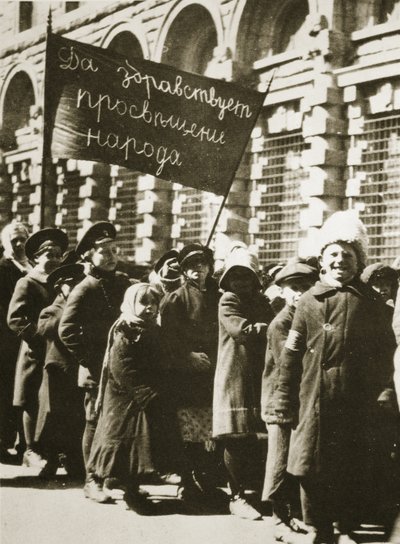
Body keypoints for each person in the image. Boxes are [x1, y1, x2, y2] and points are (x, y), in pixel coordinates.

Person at [273, 211, 397, 544]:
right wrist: (284, 397)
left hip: (354, 399)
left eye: (348, 254)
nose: (341, 260)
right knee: (309, 464)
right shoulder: (309, 302)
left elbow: (385, 352)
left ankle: (345, 523)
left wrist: (382, 392)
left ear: (358, 262)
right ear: (323, 261)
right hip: (313, 397)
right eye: (334, 254)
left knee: (350, 463)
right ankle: (317, 526)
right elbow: (291, 354)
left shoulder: (370, 304)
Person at [87, 283, 188, 510]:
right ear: (132, 303)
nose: (150, 308)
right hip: (125, 397)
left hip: (142, 394)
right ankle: (110, 484)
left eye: (154, 303)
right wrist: (146, 394)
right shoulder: (126, 331)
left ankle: (130, 486)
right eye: (144, 302)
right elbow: (123, 368)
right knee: (123, 443)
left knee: (137, 448)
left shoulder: (150, 328)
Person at [58, 222, 131, 500]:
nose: (111, 256)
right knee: (94, 420)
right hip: (95, 368)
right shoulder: (85, 287)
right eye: (104, 252)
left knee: (118, 421)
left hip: (122, 368)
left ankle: (113, 478)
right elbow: (67, 330)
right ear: (88, 255)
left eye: (114, 250)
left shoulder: (123, 283)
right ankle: (92, 479)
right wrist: (89, 358)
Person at [160, 243, 223, 509]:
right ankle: (188, 482)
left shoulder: (220, 296)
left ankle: (208, 482)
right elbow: (166, 339)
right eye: (190, 266)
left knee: (211, 433)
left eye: (202, 264)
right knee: (188, 432)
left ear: (210, 267)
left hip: (215, 374)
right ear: (183, 270)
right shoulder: (175, 299)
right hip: (186, 378)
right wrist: (187, 356)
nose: (198, 270)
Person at [213, 247, 274, 520]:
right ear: (227, 279)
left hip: (258, 374)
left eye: (246, 276)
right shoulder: (228, 300)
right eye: (235, 275)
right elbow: (242, 330)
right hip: (234, 374)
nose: (240, 281)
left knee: (256, 437)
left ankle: (254, 493)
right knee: (235, 436)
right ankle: (236, 496)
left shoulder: (262, 302)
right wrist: (268, 327)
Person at [261, 262, 318, 540]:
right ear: (282, 291)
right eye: (293, 289)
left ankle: (289, 515)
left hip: (297, 398)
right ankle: (278, 519)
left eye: (305, 288)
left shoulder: (306, 315)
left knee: (292, 457)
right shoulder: (281, 323)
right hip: (279, 400)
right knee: (280, 458)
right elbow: (290, 362)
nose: (299, 294)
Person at [7, 228, 68, 467]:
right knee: (31, 399)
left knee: (52, 400)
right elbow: (15, 319)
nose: (53, 259)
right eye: (48, 255)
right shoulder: (28, 282)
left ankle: (52, 451)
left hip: (59, 351)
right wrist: (38, 338)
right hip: (36, 351)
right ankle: (30, 448)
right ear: (36, 258)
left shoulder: (63, 283)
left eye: (57, 255)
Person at [35, 263, 86, 479]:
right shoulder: (52, 310)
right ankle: (51, 461)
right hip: (58, 372)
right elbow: (44, 329)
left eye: (77, 284)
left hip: (78, 369)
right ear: (60, 287)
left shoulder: (86, 305)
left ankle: (74, 461)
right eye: (69, 285)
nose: (74, 288)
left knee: (76, 418)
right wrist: (69, 312)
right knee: (54, 417)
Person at [0, 221, 31, 462]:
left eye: (23, 238)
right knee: (6, 390)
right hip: (6, 340)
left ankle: (26, 444)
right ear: (4, 244)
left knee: (26, 391)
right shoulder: (2, 268)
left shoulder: (34, 267)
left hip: (29, 339)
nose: (19, 244)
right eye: (14, 240)